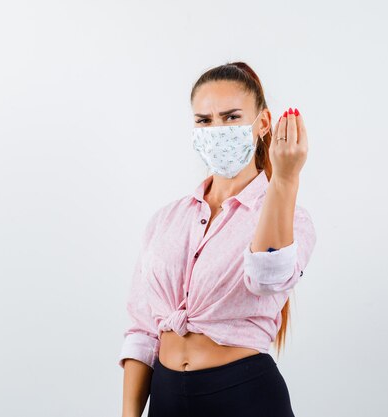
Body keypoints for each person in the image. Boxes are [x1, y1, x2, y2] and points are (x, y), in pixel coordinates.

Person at [118, 61, 317, 417]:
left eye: (231, 117)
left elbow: (267, 279)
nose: (217, 130)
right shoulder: (166, 220)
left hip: (245, 398)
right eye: (204, 121)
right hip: (166, 400)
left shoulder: (292, 218)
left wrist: (285, 181)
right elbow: (143, 328)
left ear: (263, 124)